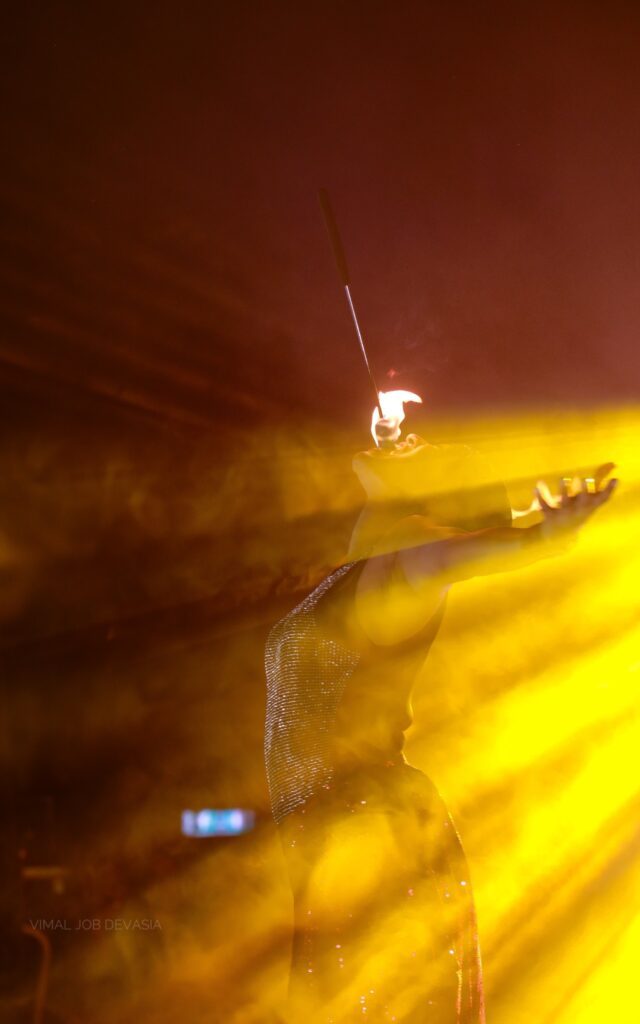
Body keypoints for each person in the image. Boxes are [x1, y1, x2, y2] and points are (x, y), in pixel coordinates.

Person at [264, 429, 617, 1024]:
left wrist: (543, 537)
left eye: (425, 450)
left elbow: (447, 555)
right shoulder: (363, 563)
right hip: (337, 832)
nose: (405, 435)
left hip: (366, 828)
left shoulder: (410, 545)